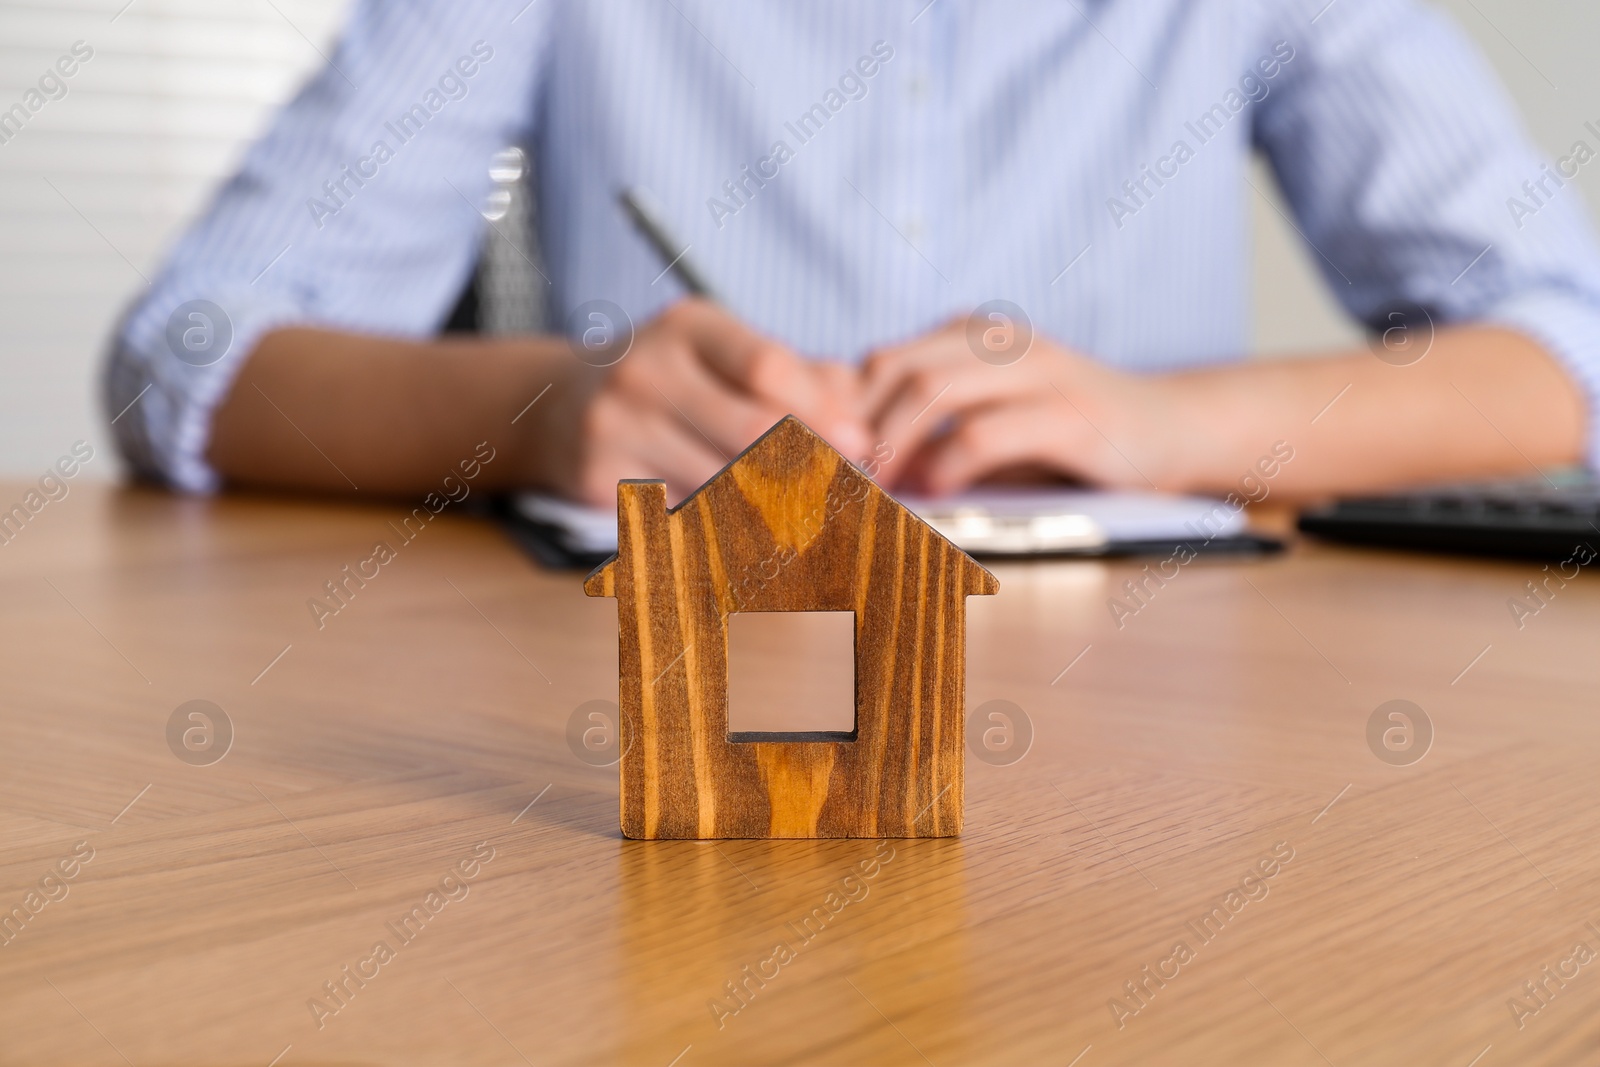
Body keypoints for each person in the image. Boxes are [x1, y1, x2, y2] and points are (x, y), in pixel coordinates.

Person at [106, 0, 1600, 508]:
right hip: (625, 725)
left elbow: (1566, 343)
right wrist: (548, 409)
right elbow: (184, 354)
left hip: (1154, 723)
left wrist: (1171, 424)